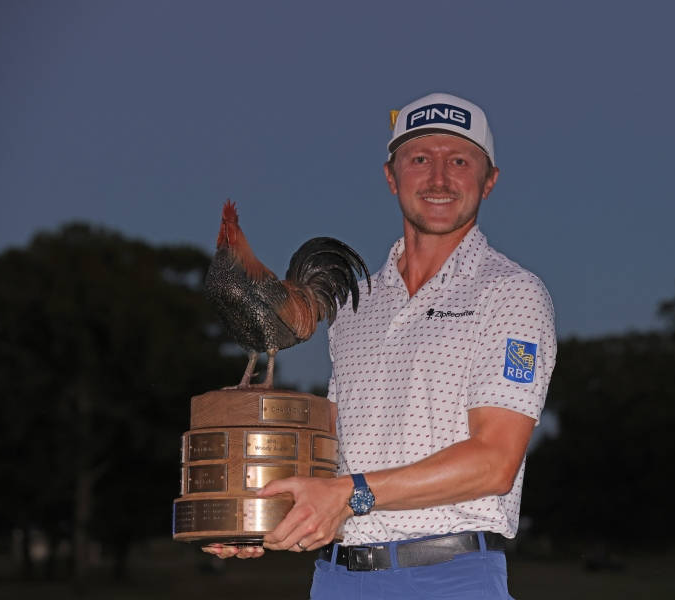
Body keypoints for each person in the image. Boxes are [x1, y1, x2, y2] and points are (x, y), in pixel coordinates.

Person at [205, 92, 556, 599]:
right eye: (419, 160)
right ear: (391, 177)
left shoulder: (512, 294)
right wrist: (252, 512)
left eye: (459, 160)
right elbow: (335, 463)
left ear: (489, 180)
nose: (438, 178)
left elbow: (494, 462)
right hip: (336, 579)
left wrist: (350, 495)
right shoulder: (354, 304)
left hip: (449, 577)